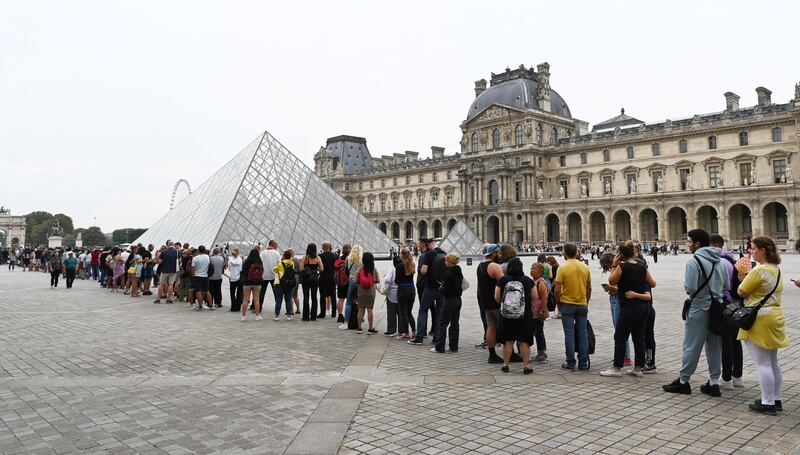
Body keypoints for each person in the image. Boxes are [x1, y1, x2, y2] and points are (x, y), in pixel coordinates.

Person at [663, 229, 727, 396]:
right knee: (714, 346)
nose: (688, 245)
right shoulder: (719, 261)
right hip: (717, 309)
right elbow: (726, 287)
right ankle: (714, 383)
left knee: (691, 345)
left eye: (690, 242)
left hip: (699, 308)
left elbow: (690, 287)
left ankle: (683, 381)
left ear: (698, 244)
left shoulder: (694, 261)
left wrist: (695, 292)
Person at [737, 236, 790, 415]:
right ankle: (776, 398)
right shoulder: (777, 270)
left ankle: (767, 403)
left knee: (763, 364)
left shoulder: (758, 271)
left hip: (758, 318)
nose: (751, 251)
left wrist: (742, 277)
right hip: (774, 316)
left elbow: (741, 291)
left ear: (762, 251)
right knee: (773, 362)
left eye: (753, 248)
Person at [600, 242, 657, 377]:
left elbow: (612, 281)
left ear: (620, 255)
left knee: (620, 336)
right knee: (639, 337)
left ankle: (617, 369)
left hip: (629, 306)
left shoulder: (621, 267)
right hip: (642, 307)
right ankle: (638, 369)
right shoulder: (642, 267)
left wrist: (614, 265)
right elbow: (653, 283)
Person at [711, 234, 744, 389]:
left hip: (726, 305)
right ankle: (737, 376)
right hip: (735, 305)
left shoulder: (721, 263)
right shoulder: (731, 259)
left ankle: (726, 378)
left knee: (726, 342)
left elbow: (720, 287)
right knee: (735, 341)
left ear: (716, 246)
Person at [554, 243, 591, 371]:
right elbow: (589, 287)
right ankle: (583, 363)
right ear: (576, 253)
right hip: (582, 304)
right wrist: (586, 301)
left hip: (567, 304)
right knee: (583, 333)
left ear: (564, 253)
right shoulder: (585, 267)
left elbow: (557, 289)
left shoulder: (562, 268)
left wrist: (558, 301)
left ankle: (570, 362)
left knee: (569, 334)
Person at [494, 257, 534, 374]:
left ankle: (505, 364)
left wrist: (506, 305)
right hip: (524, 315)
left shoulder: (502, 280)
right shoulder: (527, 280)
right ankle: (526, 366)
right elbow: (535, 297)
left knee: (507, 341)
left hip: (507, 315)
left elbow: (496, 297)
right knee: (524, 341)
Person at [409, 238, 446, 346]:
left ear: (429, 245)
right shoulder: (444, 253)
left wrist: (421, 270)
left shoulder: (429, 254)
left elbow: (424, 271)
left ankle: (419, 337)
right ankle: (436, 338)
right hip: (441, 287)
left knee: (423, 310)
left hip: (430, 286)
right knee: (439, 312)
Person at [599, 252, 632, 366]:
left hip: (618, 300)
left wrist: (611, 288)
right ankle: (623, 355)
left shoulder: (620, 269)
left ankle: (625, 356)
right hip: (614, 298)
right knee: (619, 329)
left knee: (620, 329)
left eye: (605, 266)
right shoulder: (618, 268)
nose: (606, 269)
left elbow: (624, 289)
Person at [434, 253, 463, 353]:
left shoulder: (448, 274)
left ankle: (439, 347)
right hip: (458, 300)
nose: (445, 262)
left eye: (446, 261)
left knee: (443, 323)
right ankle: (453, 346)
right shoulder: (459, 271)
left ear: (450, 262)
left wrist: (441, 287)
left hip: (449, 300)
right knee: (455, 323)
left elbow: (445, 290)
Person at [394, 247, 416, 341]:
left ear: (402, 255)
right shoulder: (412, 264)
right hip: (411, 289)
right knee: (409, 312)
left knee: (403, 313)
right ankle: (414, 332)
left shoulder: (399, 266)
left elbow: (397, 281)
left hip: (402, 290)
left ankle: (406, 333)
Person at [355, 252, 379, 334]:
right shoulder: (374, 269)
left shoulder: (360, 269)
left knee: (360, 309)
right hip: (371, 291)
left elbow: (355, 281)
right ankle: (370, 328)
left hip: (361, 290)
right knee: (370, 309)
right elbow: (378, 280)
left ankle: (359, 328)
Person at [529, 262, 549, 363]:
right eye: (531, 268)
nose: (532, 270)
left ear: (540, 271)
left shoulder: (540, 282)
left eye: (534, 268)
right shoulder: (534, 281)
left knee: (539, 332)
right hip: (533, 311)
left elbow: (544, 298)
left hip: (538, 312)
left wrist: (542, 310)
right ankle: (542, 352)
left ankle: (541, 354)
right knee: (538, 332)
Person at [340, 245, 363, 330]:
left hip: (352, 281)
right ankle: (359, 323)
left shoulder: (348, 259)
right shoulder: (362, 260)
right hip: (361, 282)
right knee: (360, 303)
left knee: (349, 302)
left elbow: (346, 270)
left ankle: (346, 323)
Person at [300, 243, 323, 321]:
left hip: (306, 279)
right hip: (315, 279)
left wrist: (307, 270)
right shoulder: (318, 258)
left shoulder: (305, 258)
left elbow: (300, 269)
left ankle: (305, 316)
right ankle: (313, 316)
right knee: (314, 297)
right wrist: (315, 270)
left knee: (306, 297)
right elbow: (322, 269)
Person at [240, 249, 263, 321]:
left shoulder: (247, 261)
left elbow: (243, 271)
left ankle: (243, 317)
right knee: (256, 299)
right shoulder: (259, 261)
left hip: (247, 282)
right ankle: (257, 316)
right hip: (257, 282)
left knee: (245, 299)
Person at [273, 250, 297, 321]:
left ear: (283, 256)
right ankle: (289, 315)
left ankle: (277, 316)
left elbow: (274, 270)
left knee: (278, 300)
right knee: (288, 300)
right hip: (289, 283)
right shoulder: (292, 263)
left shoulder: (280, 263)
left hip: (280, 283)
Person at [259, 240, 281, 312]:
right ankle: (277, 309)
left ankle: (259, 308)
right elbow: (279, 265)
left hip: (264, 275)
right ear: (273, 244)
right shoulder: (277, 254)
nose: (277, 246)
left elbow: (259, 264)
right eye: (276, 244)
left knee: (262, 292)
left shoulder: (262, 253)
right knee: (276, 293)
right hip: (274, 276)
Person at [154, 240, 179, 305]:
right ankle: (168, 299)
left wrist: (157, 258)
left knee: (161, 284)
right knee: (171, 284)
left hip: (164, 270)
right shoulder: (177, 252)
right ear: (173, 245)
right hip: (173, 270)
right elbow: (180, 260)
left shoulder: (163, 252)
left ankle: (158, 299)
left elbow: (159, 262)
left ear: (167, 245)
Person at [318, 242, 337, 318]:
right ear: (330, 247)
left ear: (323, 247)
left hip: (323, 277)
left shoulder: (320, 256)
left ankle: (322, 313)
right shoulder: (335, 256)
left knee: (322, 296)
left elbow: (319, 267)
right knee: (333, 295)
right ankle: (333, 313)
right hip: (332, 278)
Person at [191, 245, 213, 310]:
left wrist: (193, 276)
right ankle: (211, 305)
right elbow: (209, 265)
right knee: (207, 291)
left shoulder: (195, 258)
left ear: (198, 250)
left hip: (197, 276)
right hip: (205, 276)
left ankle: (200, 305)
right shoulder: (207, 257)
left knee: (198, 291)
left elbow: (193, 268)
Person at [335, 244, 352, 323]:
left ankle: (340, 316)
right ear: (349, 249)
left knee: (341, 299)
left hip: (340, 282)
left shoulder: (339, 259)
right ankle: (351, 315)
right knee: (351, 300)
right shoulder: (351, 258)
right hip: (349, 281)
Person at [228, 248, 243, 312]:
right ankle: (238, 307)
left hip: (232, 279)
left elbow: (229, 268)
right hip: (239, 278)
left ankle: (233, 307)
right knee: (239, 294)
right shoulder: (240, 259)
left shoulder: (230, 260)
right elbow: (240, 268)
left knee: (232, 293)